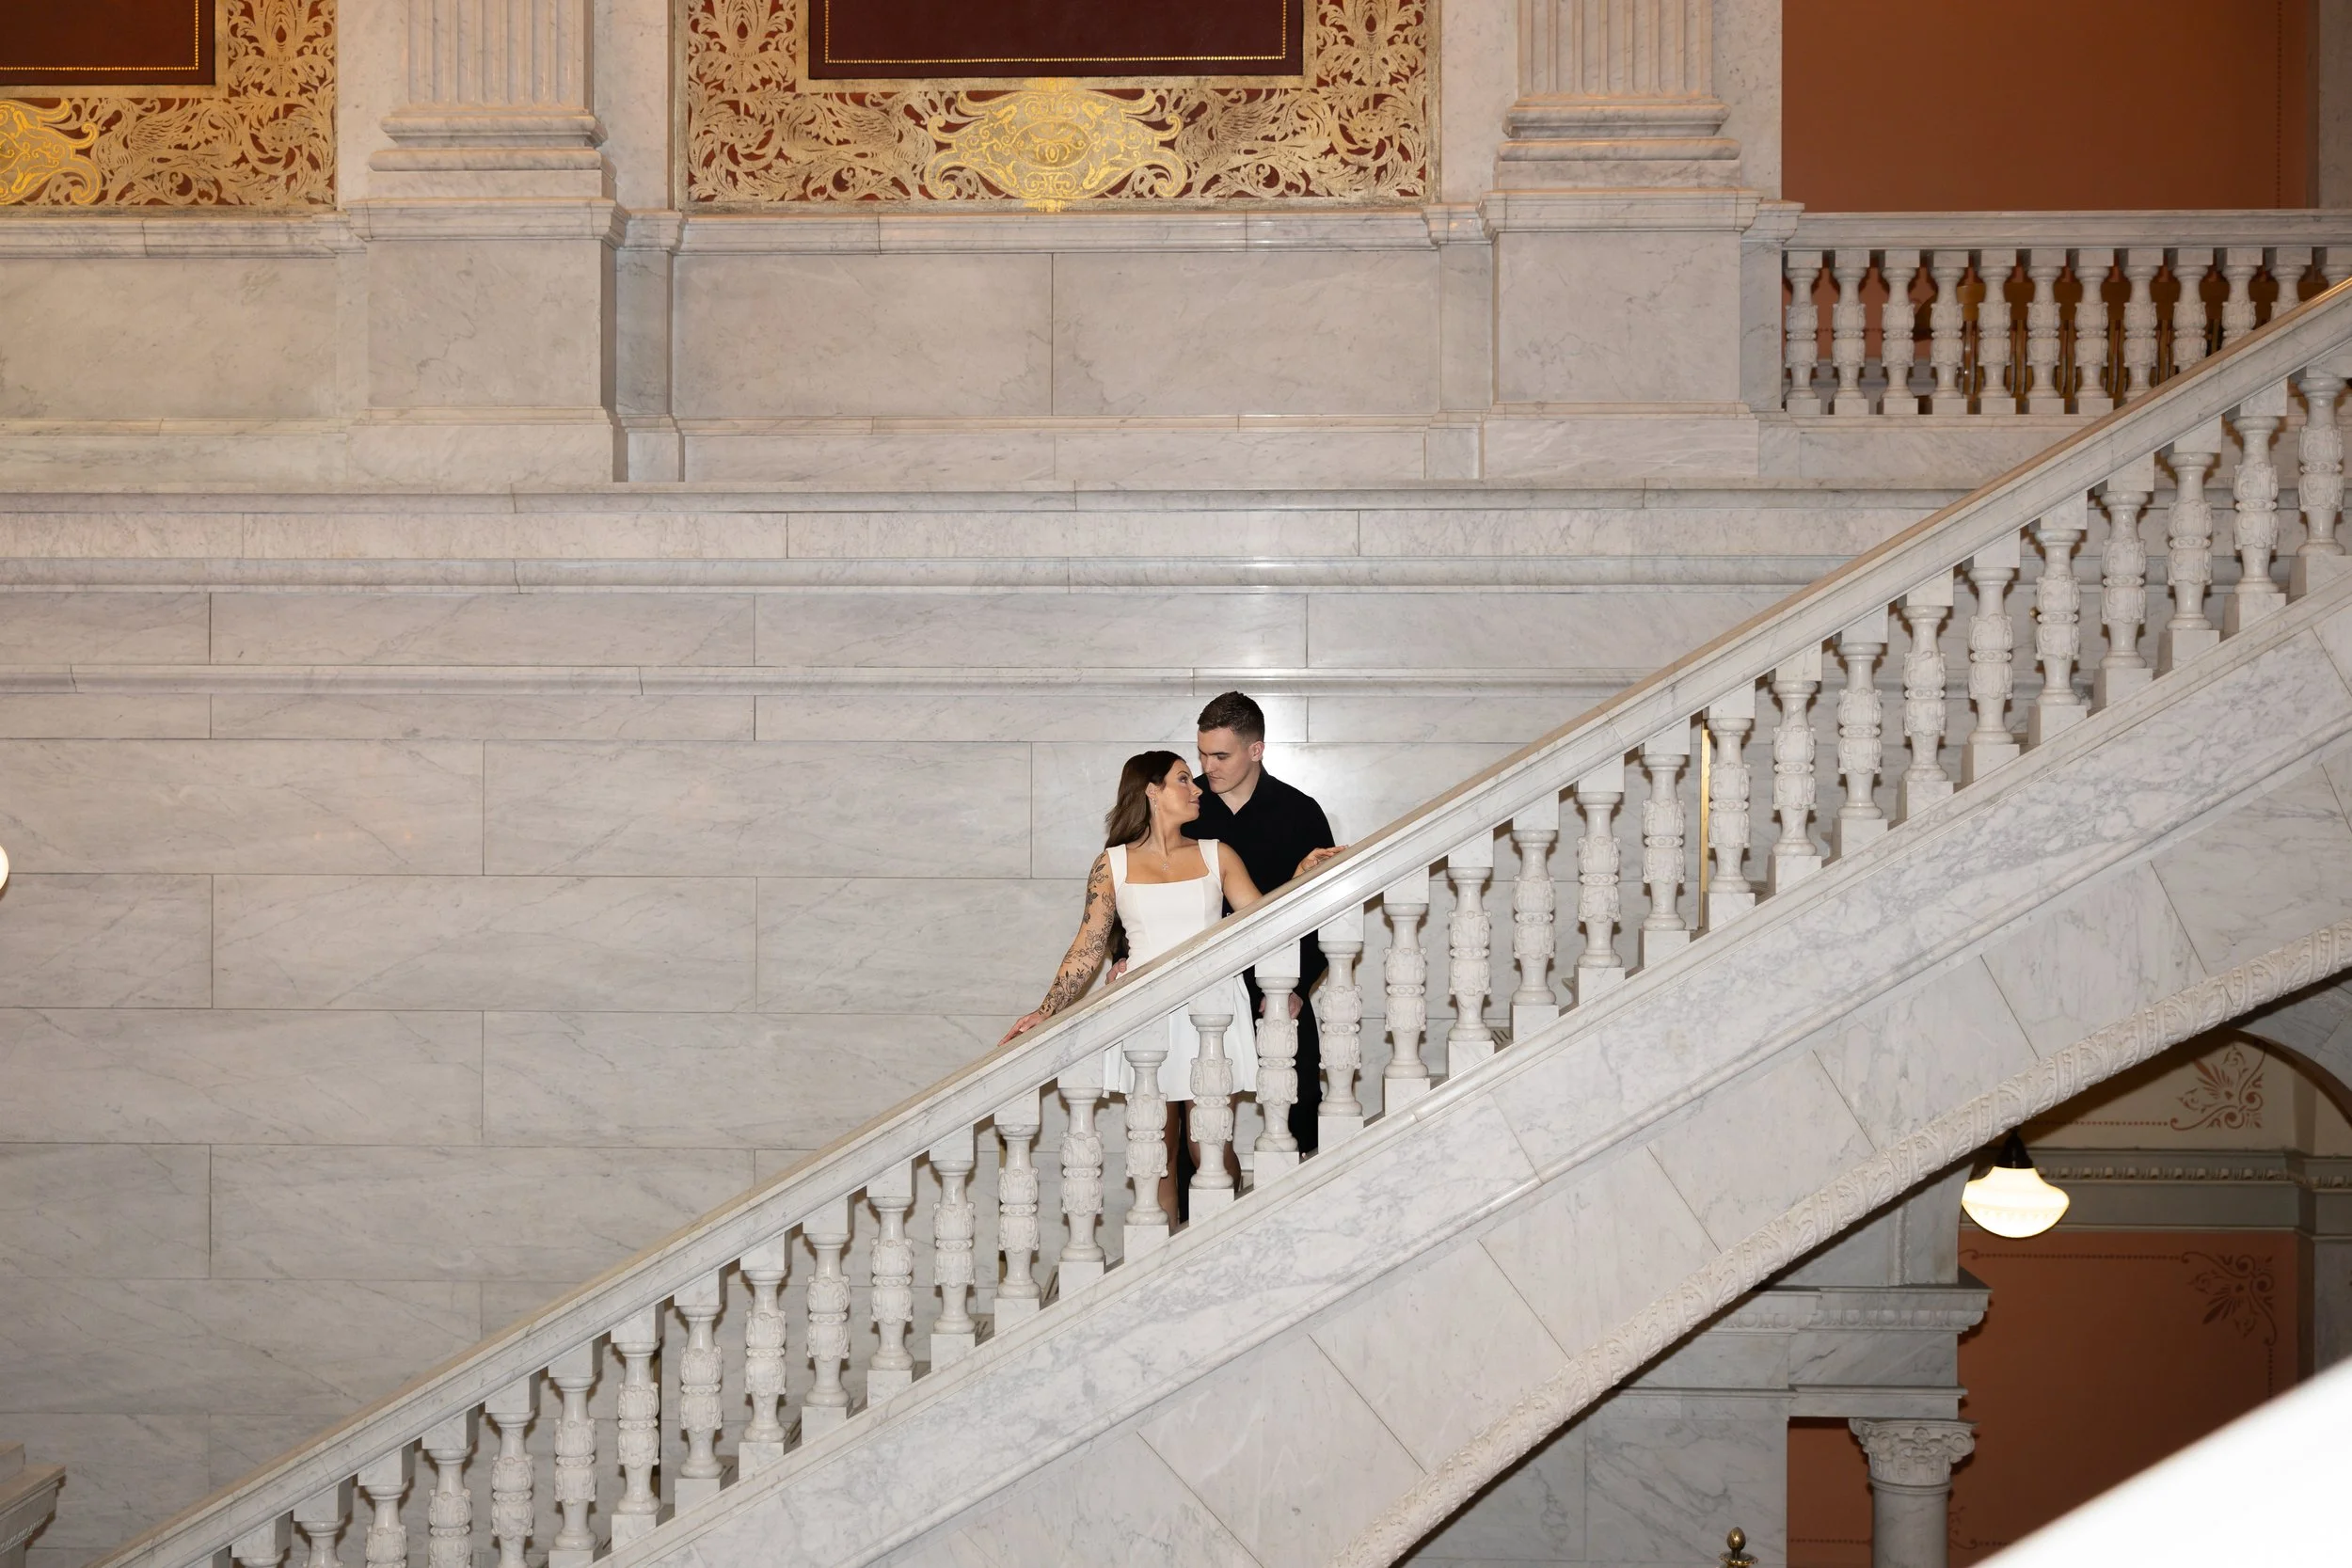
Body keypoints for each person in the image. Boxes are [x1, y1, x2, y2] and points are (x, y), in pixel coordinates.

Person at [999, 749, 1328, 1216]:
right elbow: (1088, 947)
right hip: (1147, 1014)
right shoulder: (1110, 864)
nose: (1197, 789)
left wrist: (1299, 879)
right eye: (1183, 781)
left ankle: (1222, 1243)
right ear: (1153, 792)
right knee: (1155, 1154)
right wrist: (1044, 1011)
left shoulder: (1219, 855)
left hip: (1212, 1008)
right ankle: (1164, 1253)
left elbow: (1263, 921)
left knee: (1210, 1144)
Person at [1188, 691, 1341, 1153]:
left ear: (1256, 750)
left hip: (1278, 983)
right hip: (1198, 984)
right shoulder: (1184, 808)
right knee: (1196, 1122)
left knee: (1303, 1106)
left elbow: (1324, 911)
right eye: (1201, 753)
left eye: (1220, 755)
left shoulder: (1300, 811)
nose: (1207, 767)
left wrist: (1298, 986)